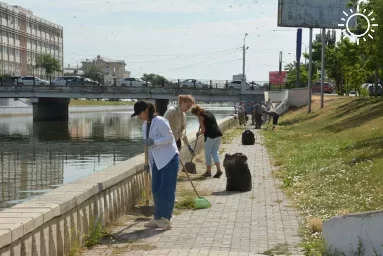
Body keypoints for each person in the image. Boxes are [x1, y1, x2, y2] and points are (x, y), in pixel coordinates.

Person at [131, 101, 179, 229]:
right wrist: (148, 163)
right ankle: (157, 217)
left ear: (146, 110)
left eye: (139, 113)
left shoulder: (161, 121)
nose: (139, 117)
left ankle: (166, 219)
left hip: (168, 158)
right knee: (156, 189)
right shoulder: (144, 126)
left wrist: (154, 141)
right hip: (156, 161)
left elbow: (169, 138)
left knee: (167, 190)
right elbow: (149, 147)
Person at [191, 105, 223, 178]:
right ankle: (219, 170)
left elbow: (203, 131)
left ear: (197, 112)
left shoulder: (200, 117)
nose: (196, 116)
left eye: (195, 114)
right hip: (218, 134)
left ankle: (208, 172)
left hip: (210, 136)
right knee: (215, 152)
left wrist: (198, 133)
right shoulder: (209, 112)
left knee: (208, 154)